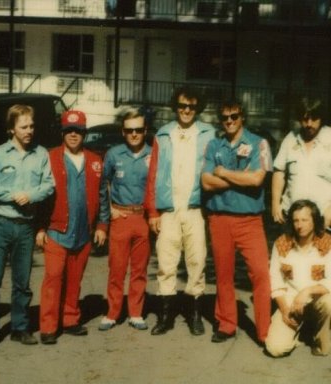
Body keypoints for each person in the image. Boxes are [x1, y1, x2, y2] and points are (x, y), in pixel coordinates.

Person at [0, 104, 54, 352]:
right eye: (24, 127)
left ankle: (20, 328)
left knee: (22, 282)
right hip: (0, 224)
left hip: (26, 227)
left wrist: (30, 195)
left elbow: (49, 186)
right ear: (12, 129)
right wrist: (13, 195)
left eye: (31, 126)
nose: (29, 130)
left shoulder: (41, 154)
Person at [145, 86, 215, 336]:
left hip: (196, 209)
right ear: (176, 106)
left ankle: (195, 314)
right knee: (166, 262)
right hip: (168, 209)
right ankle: (166, 316)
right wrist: (152, 211)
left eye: (192, 107)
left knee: (196, 262)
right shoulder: (163, 135)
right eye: (182, 106)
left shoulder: (209, 134)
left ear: (198, 109)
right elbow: (153, 174)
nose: (186, 111)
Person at [201, 99, 272, 344]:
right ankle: (227, 323)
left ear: (243, 117)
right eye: (225, 117)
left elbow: (257, 180)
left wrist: (224, 173)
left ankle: (264, 331)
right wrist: (240, 176)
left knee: (261, 273)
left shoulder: (259, 143)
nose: (229, 121)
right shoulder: (214, 145)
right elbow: (206, 182)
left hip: (249, 220)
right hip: (219, 218)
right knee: (223, 273)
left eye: (234, 116)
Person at [36, 110, 106, 345]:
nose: (74, 135)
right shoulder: (50, 157)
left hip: (83, 232)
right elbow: (41, 197)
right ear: (62, 132)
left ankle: (70, 319)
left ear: (84, 133)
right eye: (69, 131)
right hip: (57, 230)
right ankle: (48, 325)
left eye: (78, 131)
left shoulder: (95, 160)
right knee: (53, 278)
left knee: (75, 279)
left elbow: (103, 196)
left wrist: (102, 225)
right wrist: (40, 228)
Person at [98, 108, 152, 331]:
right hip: (120, 217)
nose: (134, 134)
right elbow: (103, 186)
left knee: (140, 269)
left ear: (145, 130)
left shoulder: (153, 153)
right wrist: (108, 211)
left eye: (138, 130)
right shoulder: (114, 154)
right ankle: (112, 312)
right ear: (123, 132)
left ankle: (136, 313)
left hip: (143, 217)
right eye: (129, 130)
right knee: (117, 268)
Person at [265, 199, 331, 357]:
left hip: (317, 298)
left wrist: (307, 291)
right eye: (295, 220)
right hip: (290, 301)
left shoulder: (328, 242)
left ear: (314, 220)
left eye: (304, 220)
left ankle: (319, 339)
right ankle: (301, 330)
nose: (299, 225)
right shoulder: (281, 243)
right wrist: (285, 310)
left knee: (329, 302)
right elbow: (275, 282)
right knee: (276, 349)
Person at [272, 97, 331, 229]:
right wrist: (276, 204)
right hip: (293, 220)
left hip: (324, 221)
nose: (309, 124)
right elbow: (279, 171)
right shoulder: (290, 138)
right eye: (305, 119)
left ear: (322, 117)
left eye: (314, 118)